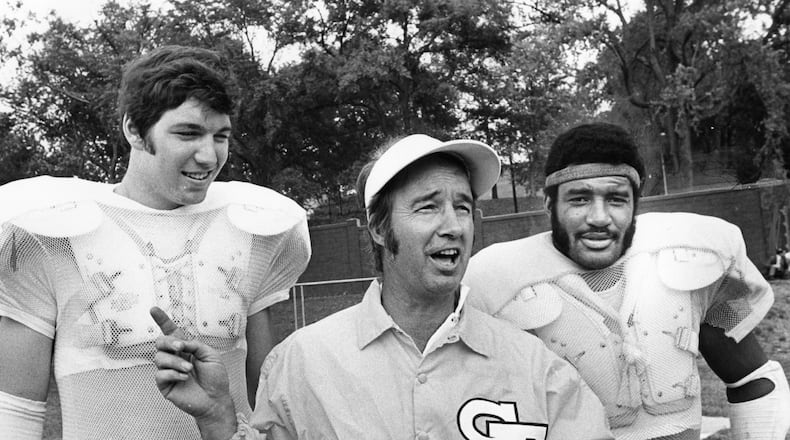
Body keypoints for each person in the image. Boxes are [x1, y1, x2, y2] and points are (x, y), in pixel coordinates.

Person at [151, 134, 614, 439]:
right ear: (377, 227)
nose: (453, 226)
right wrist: (216, 418)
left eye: (463, 207)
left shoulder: (540, 373)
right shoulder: (302, 365)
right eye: (428, 207)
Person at [0, 45, 311, 440]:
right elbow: (15, 412)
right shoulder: (49, 234)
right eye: (188, 133)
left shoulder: (251, 231)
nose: (208, 155)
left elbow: (269, 398)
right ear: (134, 129)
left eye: (221, 136)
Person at [464, 122, 790, 440]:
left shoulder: (696, 253)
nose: (599, 218)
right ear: (549, 205)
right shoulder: (494, 282)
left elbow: (754, 379)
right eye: (579, 199)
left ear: (635, 204)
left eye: (616, 199)